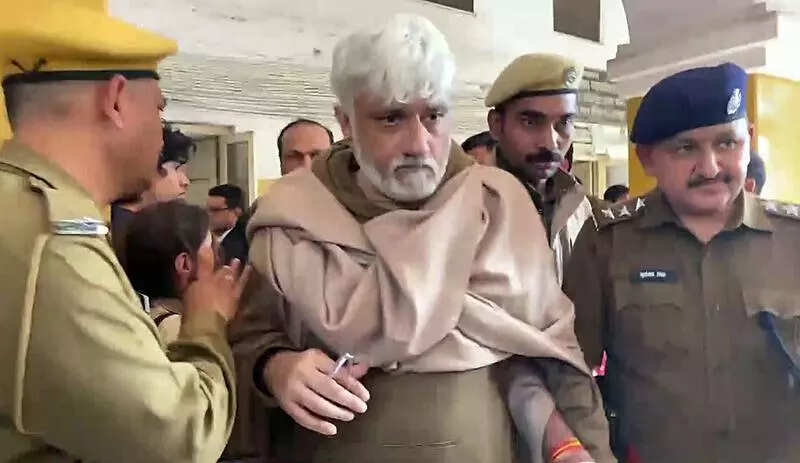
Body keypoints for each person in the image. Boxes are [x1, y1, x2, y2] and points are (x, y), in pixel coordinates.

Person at [229, 14, 613, 463]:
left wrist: (573, 448)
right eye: (391, 118)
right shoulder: (291, 217)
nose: (419, 143)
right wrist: (275, 368)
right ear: (346, 121)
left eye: (434, 116)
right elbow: (247, 341)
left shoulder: (501, 207)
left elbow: (543, 356)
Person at [0, 1, 251, 461]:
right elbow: (182, 437)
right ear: (115, 100)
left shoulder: (19, 208)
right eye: (159, 109)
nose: (161, 134)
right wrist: (206, 320)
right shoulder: (51, 243)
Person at [563, 63, 800, 462]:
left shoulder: (793, 239)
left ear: (749, 139)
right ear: (647, 159)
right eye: (686, 148)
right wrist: (594, 453)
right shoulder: (608, 243)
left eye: (727, 143)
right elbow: (569, 369)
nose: (710, 167)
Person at [487, 54, 596, 285]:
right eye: (531, 122)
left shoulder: (580, 207)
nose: (550, 142)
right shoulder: (464, 205)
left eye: (564, 123)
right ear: (496, 125)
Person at [122, 200, 218, 344]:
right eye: (211, 246)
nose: (217, 256)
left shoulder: (135, 316)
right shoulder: (179, 330)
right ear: (185, 264)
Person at [111, 124, 194, 258]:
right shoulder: (128, 234)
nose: (185, 181)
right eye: (176, 169)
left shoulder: (142, 224)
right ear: (147, 167)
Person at [207, 183, 249, 264]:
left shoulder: (247, 242)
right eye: (207, 210)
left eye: (215, 210)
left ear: (237, 212)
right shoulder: (202, 237)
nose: (208, 214)